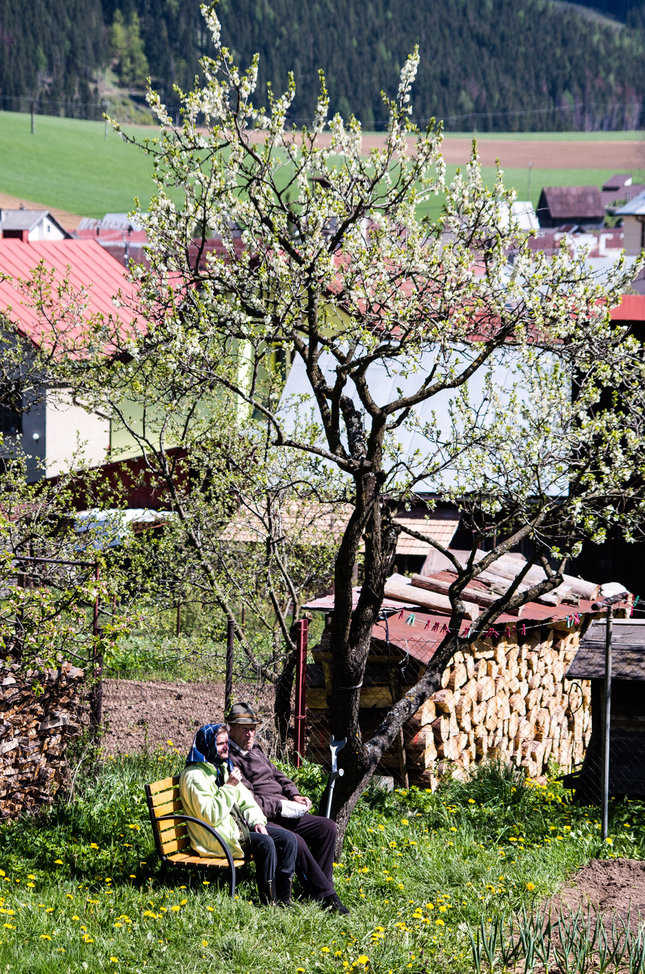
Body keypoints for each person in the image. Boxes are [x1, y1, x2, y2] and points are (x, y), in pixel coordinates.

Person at [226, 702, 350, 915]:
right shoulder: (230, 758)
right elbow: (249, 801)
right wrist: (283, 805)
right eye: (245, 729)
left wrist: (295, 794)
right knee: (297, 841)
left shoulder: (255, 750)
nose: (250, 734)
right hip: (264, 817)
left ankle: (319, 886)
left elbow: (278, 775)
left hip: (285, 808)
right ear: (231, 728)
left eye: (253, 729)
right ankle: (326, 896)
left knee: (327, 827)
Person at [179, 723, 298, 906]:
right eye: (220, 744)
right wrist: (228, 787)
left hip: (233, 829)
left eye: (227, 742)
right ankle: (268, 901)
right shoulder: (194, 777)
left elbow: (246, 799)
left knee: (288, 839)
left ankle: (285, 899)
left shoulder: (220, 767)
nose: (226, 747)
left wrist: (257, 820)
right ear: (207, 745)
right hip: (214, 837)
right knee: (265, 843)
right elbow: (210, 816)